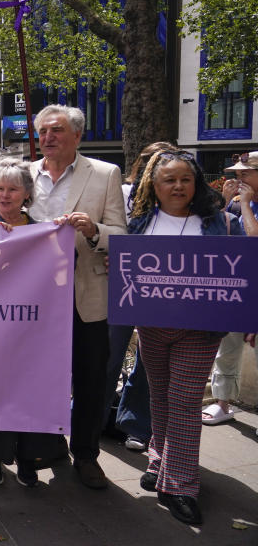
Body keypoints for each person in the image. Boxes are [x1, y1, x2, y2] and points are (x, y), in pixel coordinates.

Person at [128, 149, 243, 524]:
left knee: (185, 402)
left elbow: (242, 272)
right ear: (154, 185)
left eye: (185, 179)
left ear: (195, 183)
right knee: (159, 397)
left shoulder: (223, 223)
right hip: (152, 326)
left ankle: (180, 485)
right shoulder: (139, 224)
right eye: (169, 180)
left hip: (201, 330)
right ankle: (158, 458)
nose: (178, 186)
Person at [27, 104, 126, 490]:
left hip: (84, 295)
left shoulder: (104, 174)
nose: (48, 137)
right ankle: (43, 448)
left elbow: (120, 234)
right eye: (43, 131)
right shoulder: (23, 173)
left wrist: (94, 229)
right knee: (38, 375)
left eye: (57, 130)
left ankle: (86, 455)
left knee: (89, 378)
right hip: (33, 296)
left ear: (77, 136)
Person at [0, 159, 69, 487]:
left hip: (31, 332)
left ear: (27, 194)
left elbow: (58, 278)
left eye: (12, 189)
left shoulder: (43, 232)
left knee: (29, 394)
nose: (5, 195)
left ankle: (29, 459)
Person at [106, 142, 174, 452]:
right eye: (149, 162)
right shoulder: (121, 194)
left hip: (159, 293)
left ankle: (135, 424)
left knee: (149, 363)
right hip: (119, 287)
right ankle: (91, 419)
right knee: (107, 357)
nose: (153, 169)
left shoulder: (176, 203)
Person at [201, 151, 258, 427]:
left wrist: (246, 205)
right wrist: (224, 202)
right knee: (228, 345)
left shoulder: (244, 204)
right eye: (237, 173)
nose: (238, 178)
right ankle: (222, 402)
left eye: (245, 173)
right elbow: (217, 234)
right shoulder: (234, 204)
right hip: (237, 287)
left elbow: (253, 243)